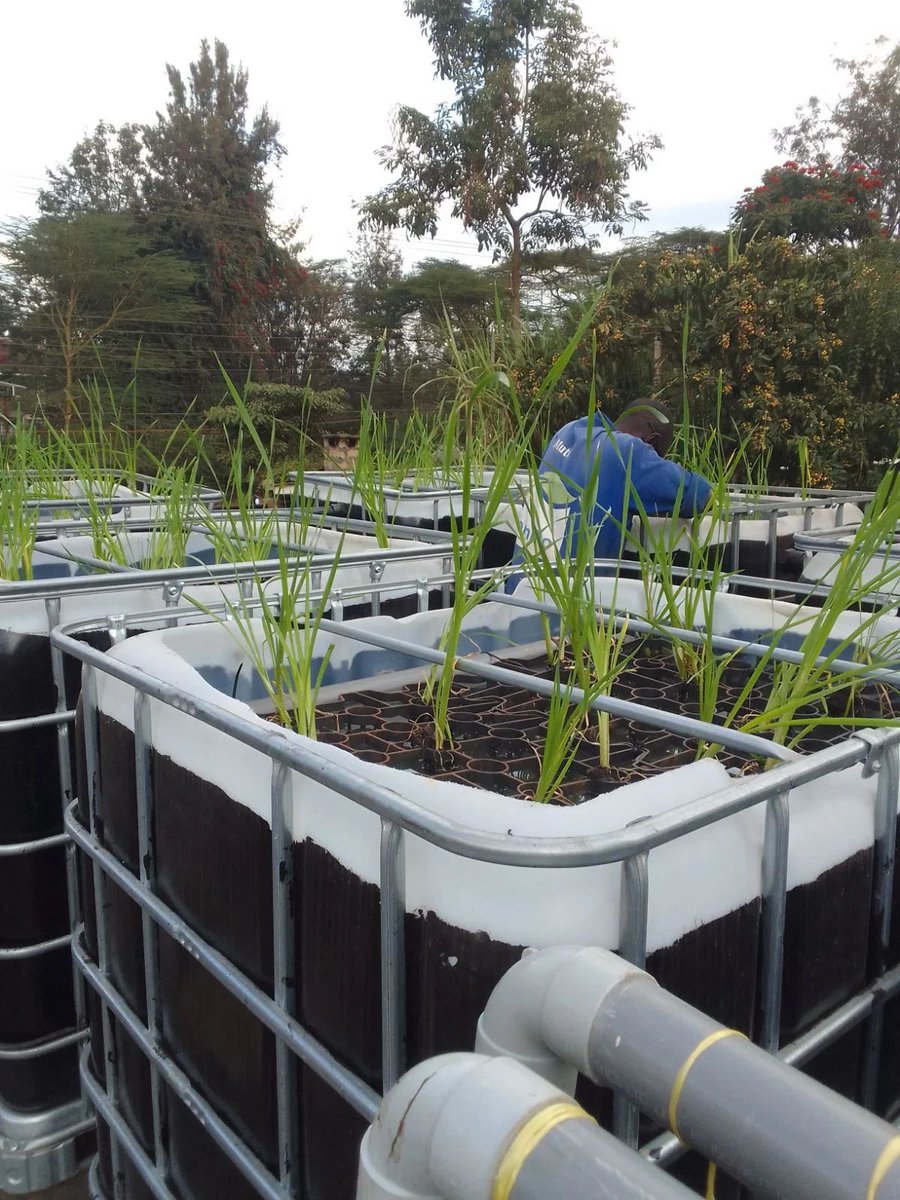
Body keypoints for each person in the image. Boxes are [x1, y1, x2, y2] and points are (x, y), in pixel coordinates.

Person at [532, 399, 712, 563]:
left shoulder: (570, 430)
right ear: (652, 441)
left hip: (520, 589)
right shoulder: (628, 452)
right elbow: (699, 494)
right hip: (572, 594)